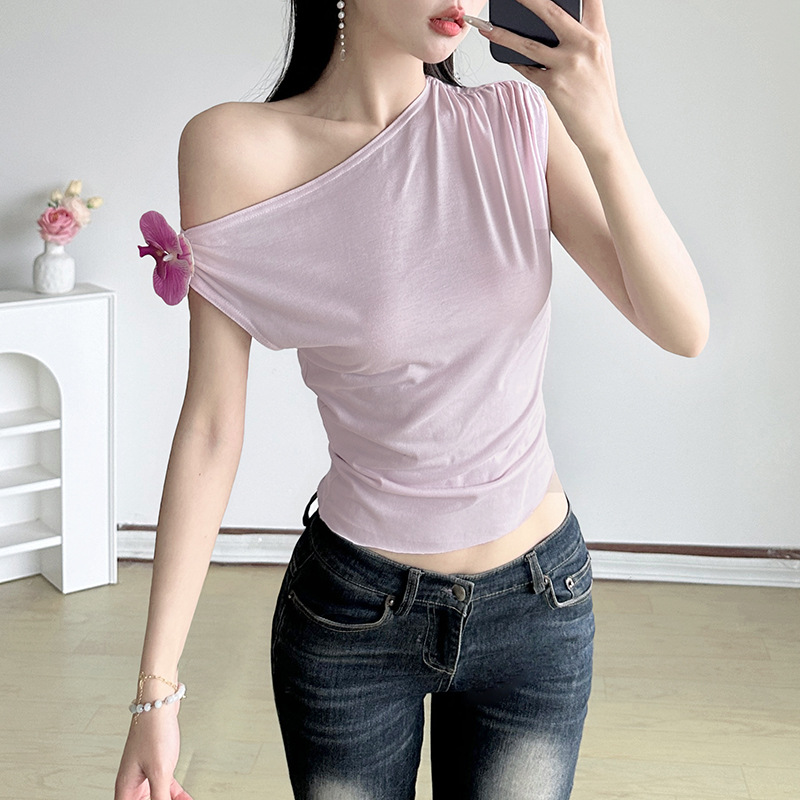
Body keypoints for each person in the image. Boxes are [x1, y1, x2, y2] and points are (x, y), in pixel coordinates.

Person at [115, 0, 709, 798]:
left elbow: (682, 328)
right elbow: (213, 426)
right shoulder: (236, 149)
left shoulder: (514, 123)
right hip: (354, 616)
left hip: (537, 604)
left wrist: (603, 131)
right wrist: (156, 688)